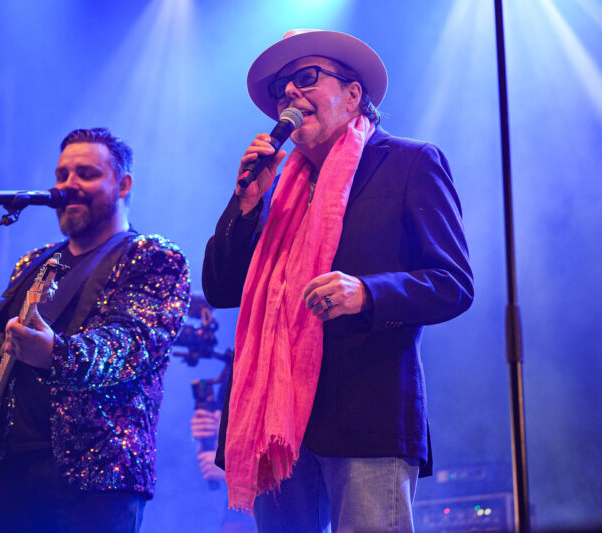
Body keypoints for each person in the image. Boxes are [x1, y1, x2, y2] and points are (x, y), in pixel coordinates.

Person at [202, 30, 474, 532]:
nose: (289, 93)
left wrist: (368, 292)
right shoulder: (275, 188)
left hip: (364, 412)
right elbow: (220, 290)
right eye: (281, 88)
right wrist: (246, 204)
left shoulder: (410, 163)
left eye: (306, 78)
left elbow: (452, 282)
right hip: (275, 424)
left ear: (353, 94)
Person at [0, 127, 190, 533]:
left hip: (98, 477)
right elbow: (1, 347)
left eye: (86, 174)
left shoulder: (153, 256)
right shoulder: (34, 263)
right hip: (12, 469)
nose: (68, 184)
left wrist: (57, 354)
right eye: (62, 175)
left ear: (123, 184)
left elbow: (133, 343)